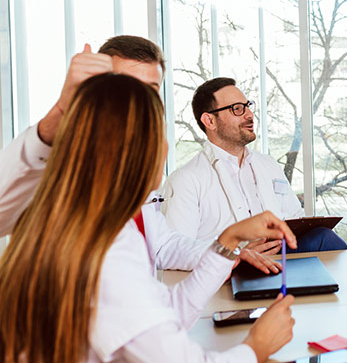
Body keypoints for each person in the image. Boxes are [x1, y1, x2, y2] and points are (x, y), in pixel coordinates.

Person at [0, 73, 296, 362]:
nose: (166, 148)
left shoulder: (100, 225)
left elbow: (167, 312)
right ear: (135, 149)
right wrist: (255, 348)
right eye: (160, 134)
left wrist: (226, 244)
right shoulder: (108, 252)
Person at [0, 36, 279, 274]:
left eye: (150, 91)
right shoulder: (61, 160)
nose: (140, 101)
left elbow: (163, 247)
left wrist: (228, 253)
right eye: (129, 86)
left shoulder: (134, 166)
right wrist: (60, 111)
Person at [162, 77, 347, 253]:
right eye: (237, 109)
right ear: (209, 120)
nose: (249, 115)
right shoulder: (185, 179)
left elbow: (293, 215)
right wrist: (236, 254)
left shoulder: (267, 164)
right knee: (324, 239)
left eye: (247, 106)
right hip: (231, 273)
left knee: (323, 236)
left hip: (281, 258)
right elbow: (174, 251)